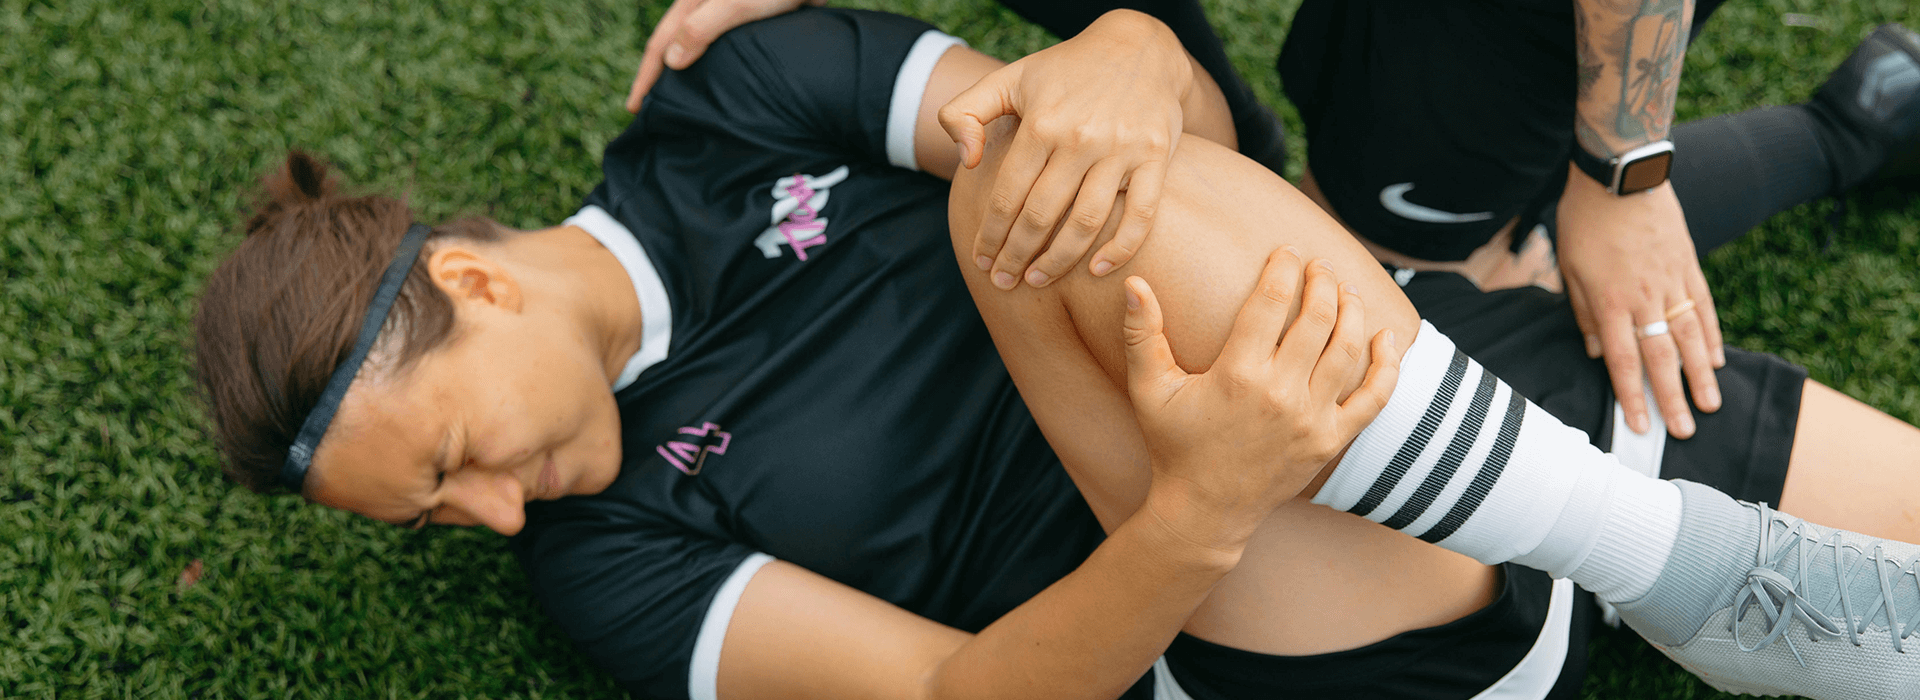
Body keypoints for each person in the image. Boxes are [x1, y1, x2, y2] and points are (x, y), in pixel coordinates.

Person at [193, 8, 1920, 699]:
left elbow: (1141, 139)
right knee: (1007, 194)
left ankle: (1845, 142)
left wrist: (1117, 51)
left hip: (1402, 378)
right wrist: (1199, 513)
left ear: (475, 292)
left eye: (449, 464)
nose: (496, 516)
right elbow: (963, 699)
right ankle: (1667, 562)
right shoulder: (601, 560)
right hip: (1273, 626)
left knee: (1037, 160)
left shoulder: (729, 108)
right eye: (439, 521)